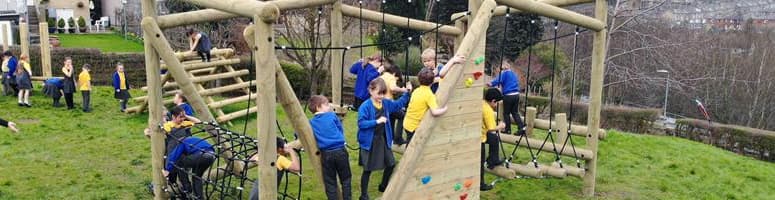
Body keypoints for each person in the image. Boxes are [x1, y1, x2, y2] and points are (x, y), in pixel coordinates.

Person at [357, 78, 411, 200]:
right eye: (378, 93)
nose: (381, 96)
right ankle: (363, 195)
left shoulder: (385, 103)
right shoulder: (365, 106)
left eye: (383, 93)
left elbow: (398, 104)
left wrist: (407, 92)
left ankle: (383, 186)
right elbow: (361, 124)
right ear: (371, 91)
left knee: (391, 164)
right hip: (369, 142)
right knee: (368, 170)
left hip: (383, 139)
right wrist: (376, 121)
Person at [308, 95, 352, 200]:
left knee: (330, 182)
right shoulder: (332, 116)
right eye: (327, 105)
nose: (329, 107)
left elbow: (300, 132)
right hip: (340, 150)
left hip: (326, 154)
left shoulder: (311, 122)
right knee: (346, 179)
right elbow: (340, 129)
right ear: (319, 107)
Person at [401, 68, 448, 145]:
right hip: (414, 127)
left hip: (407, 123)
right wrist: (445, 109)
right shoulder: (429, 95)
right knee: (412, 148)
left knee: (409, 143)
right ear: (432, 81)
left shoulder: (416, 91)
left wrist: (438, 79)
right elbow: (435, 112)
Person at [163, 135, 216, 200]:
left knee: (180, 163)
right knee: (196, 177)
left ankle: (186, 188)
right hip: (211, 156)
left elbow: (175, 155)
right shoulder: (195, 139)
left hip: (200, 154)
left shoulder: (183, 142)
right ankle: (199, 198)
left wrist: (168, 169)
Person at [486, 60, 526, 135]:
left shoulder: (504, 73)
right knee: (515, 112)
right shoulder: (514, 74)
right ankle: (521, 128)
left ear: (503, 68)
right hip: (516, 95)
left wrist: (490, 83)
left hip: (508, 95)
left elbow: (498, 80)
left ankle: (507, 129)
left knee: (506, 113)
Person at [378, 60, 410, 145]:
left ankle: (391, 137)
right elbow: (392, 87)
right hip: (388, 102)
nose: (396, 81)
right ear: (395, 74)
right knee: (402, 116)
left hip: (381, 102)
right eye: (397, 79)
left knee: (391, 117)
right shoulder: (392, 77)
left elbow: (388, 88)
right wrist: (403, 90)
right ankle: (398, 138)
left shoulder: (383, 76)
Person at [480, 88, 506, 191]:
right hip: (480, 137)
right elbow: (491, 128)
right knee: (480, 163)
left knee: (494, 139)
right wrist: (500, 126)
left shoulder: (482, 103)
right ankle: (481, 185)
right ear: (493, 101)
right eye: (496, 103)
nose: (496, 106)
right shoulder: (488, 110)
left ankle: (492, 160)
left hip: (482, 132)